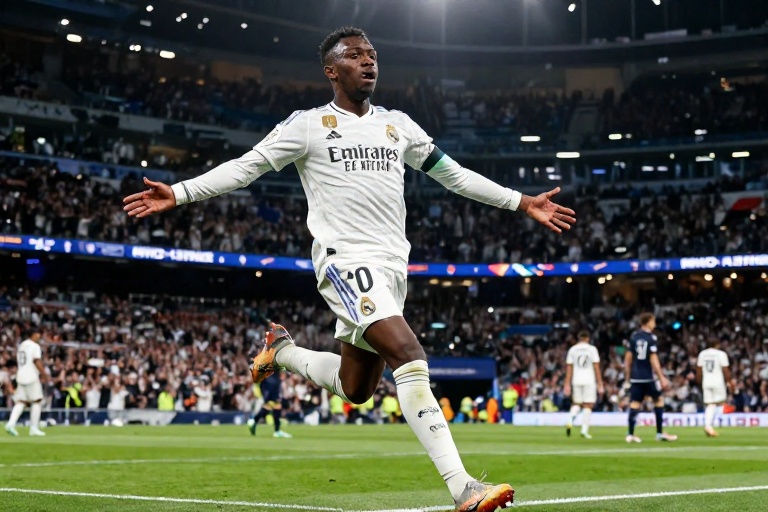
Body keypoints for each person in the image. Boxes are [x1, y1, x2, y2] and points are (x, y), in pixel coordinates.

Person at [122, 26, 576, 510]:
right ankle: (463, 487)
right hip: (345, 260)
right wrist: (181, 192)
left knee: (356, 388)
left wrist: (522, 201)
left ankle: (282, 352)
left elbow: (455, 176)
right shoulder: (308, 125)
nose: (368, 61)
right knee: (410, 355)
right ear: (331, 71)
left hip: (392, 267)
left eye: (372, 54)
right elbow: (247, 166)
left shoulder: (399, 125)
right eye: (355, 55)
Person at [624, 313, 677, 443]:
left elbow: (628, 359)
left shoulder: (634, 337)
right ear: (648, 322)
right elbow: (653, 359)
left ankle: (630, 434)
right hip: (647, 376)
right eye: (653, 321)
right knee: (659, 400)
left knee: (635, 403)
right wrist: (661, 377)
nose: (655, 324)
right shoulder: (651, 338)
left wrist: (627, 377)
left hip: (635, 377)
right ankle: (659, 433)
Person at [4, 330, 48, 437]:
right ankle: (34, 428)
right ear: (32, 335)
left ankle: (10, 424)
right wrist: (44, 374)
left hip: (21, 376)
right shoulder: (35, 346)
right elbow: (36, 360)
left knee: (21, 401)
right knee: (37, 401)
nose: (39, 336)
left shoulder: (22, 345)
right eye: (37, 334)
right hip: (31, 376)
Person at [564, 330, 604, 439]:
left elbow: (569, 368)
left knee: (577, 404)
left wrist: (567, 384)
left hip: (576, 380)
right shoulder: (592, 349)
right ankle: (584, 430)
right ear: (588, 338)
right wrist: (600, 383)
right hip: (589, 380)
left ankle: (570, 418)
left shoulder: (572, 350)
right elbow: (596, 367)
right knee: (588, 405)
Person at [696, 338, 732, 437]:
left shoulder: (702, 354)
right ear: (717, 344)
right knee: (718, 403)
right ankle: (710, 425)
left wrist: (699, 382)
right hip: (718, 381)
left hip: (706, 381)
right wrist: (729, 381)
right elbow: (725, 370)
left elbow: (698, 371)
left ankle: (709, 424)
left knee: (710, 404)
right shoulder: (721, 354)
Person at [248, 372, 292, 438]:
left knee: (272, 405)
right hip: (272, 381)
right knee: (275, 403)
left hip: (267, 381)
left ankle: (254, 421)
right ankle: (276, 431)